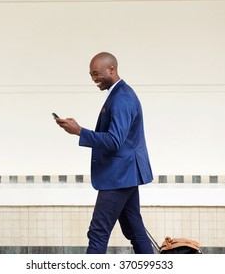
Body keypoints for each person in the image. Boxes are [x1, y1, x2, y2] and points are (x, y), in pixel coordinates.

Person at [54, 52, 153, 254]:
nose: (94, 79)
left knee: (98, 233)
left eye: (96, 74)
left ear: (112, 69)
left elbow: (115, 140)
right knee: (135, 230)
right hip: (126, 174)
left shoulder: (122, 97)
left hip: (119, 176)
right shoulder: (119, 95)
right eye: (91, 75)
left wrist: (79, 131)